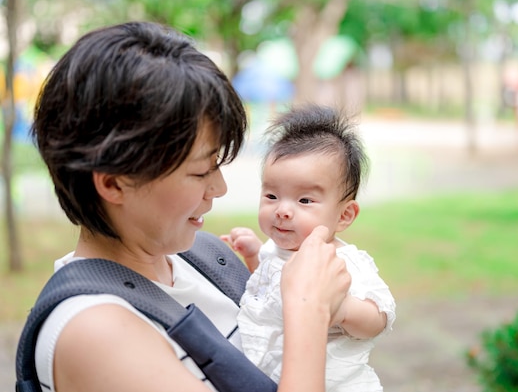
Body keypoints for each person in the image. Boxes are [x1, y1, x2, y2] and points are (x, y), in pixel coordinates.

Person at [26, 21, 351, 392]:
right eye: (200, 172)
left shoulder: (204, 258)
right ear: (114, 182)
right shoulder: (96, 331)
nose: (219, 188)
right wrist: (309, 310)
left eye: (218, 165)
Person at [221, 104, 396, 391]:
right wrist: (253, 255)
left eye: (304, 201)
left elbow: (379, 317)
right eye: (272, 195)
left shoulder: (343, 262)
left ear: (344, 215)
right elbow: (268, 289)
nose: (283, 210)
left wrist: (340, 308)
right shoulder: (274, 250)